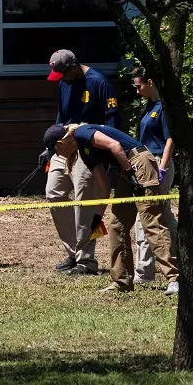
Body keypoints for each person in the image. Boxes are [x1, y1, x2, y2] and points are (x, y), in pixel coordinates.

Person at [43, 120, 177, 293]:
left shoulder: (83, 133)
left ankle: (175, 279)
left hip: (139, 162)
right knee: (116, 225)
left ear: (60, 143)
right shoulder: (84, 152)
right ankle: (122, 281)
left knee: (151, 221)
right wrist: (97, 220)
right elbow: (104, 188)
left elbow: (114, 146)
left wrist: (131, 175)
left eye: (55, 151)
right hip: (127, 168)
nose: (58, 155)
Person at [44, 49, 121, 276]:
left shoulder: (99, 83)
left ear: (74, 67)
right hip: (63, 145)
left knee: (85, 203)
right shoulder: (64, 83)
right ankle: (73, 252)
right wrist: (50, 147)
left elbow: (112, 122)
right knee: (53, 193)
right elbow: (61, 115)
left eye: (63, 74)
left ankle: (86, 261)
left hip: (89, 147)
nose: (62, 79)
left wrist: (106, 156)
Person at [130, 68, 179, 294]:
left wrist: (162, 166)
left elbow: (171, 139)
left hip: (157, 162)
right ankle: (178, 259)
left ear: (150, 81)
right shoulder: (149, 107)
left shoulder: (164, 107)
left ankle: (144, 271)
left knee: (147, 214)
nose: (137, 91)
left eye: (139, 86)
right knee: (164, 215)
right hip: (146, 162)